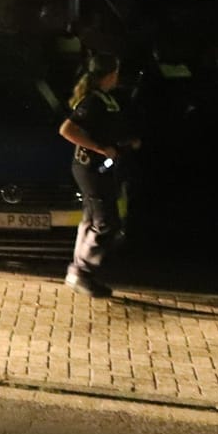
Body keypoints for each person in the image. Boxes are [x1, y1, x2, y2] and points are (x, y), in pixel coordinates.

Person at [59, 53, 137, 298]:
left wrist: (123, 144)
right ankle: (81, 271)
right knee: (105, 222)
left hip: (100, 167)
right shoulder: (92, 100)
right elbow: (67, 130)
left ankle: (82, 273)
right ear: (111, 73)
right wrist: (100, 149)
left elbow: (105, 128)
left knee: (93, 219)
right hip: (91, 168)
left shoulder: (106, 99)